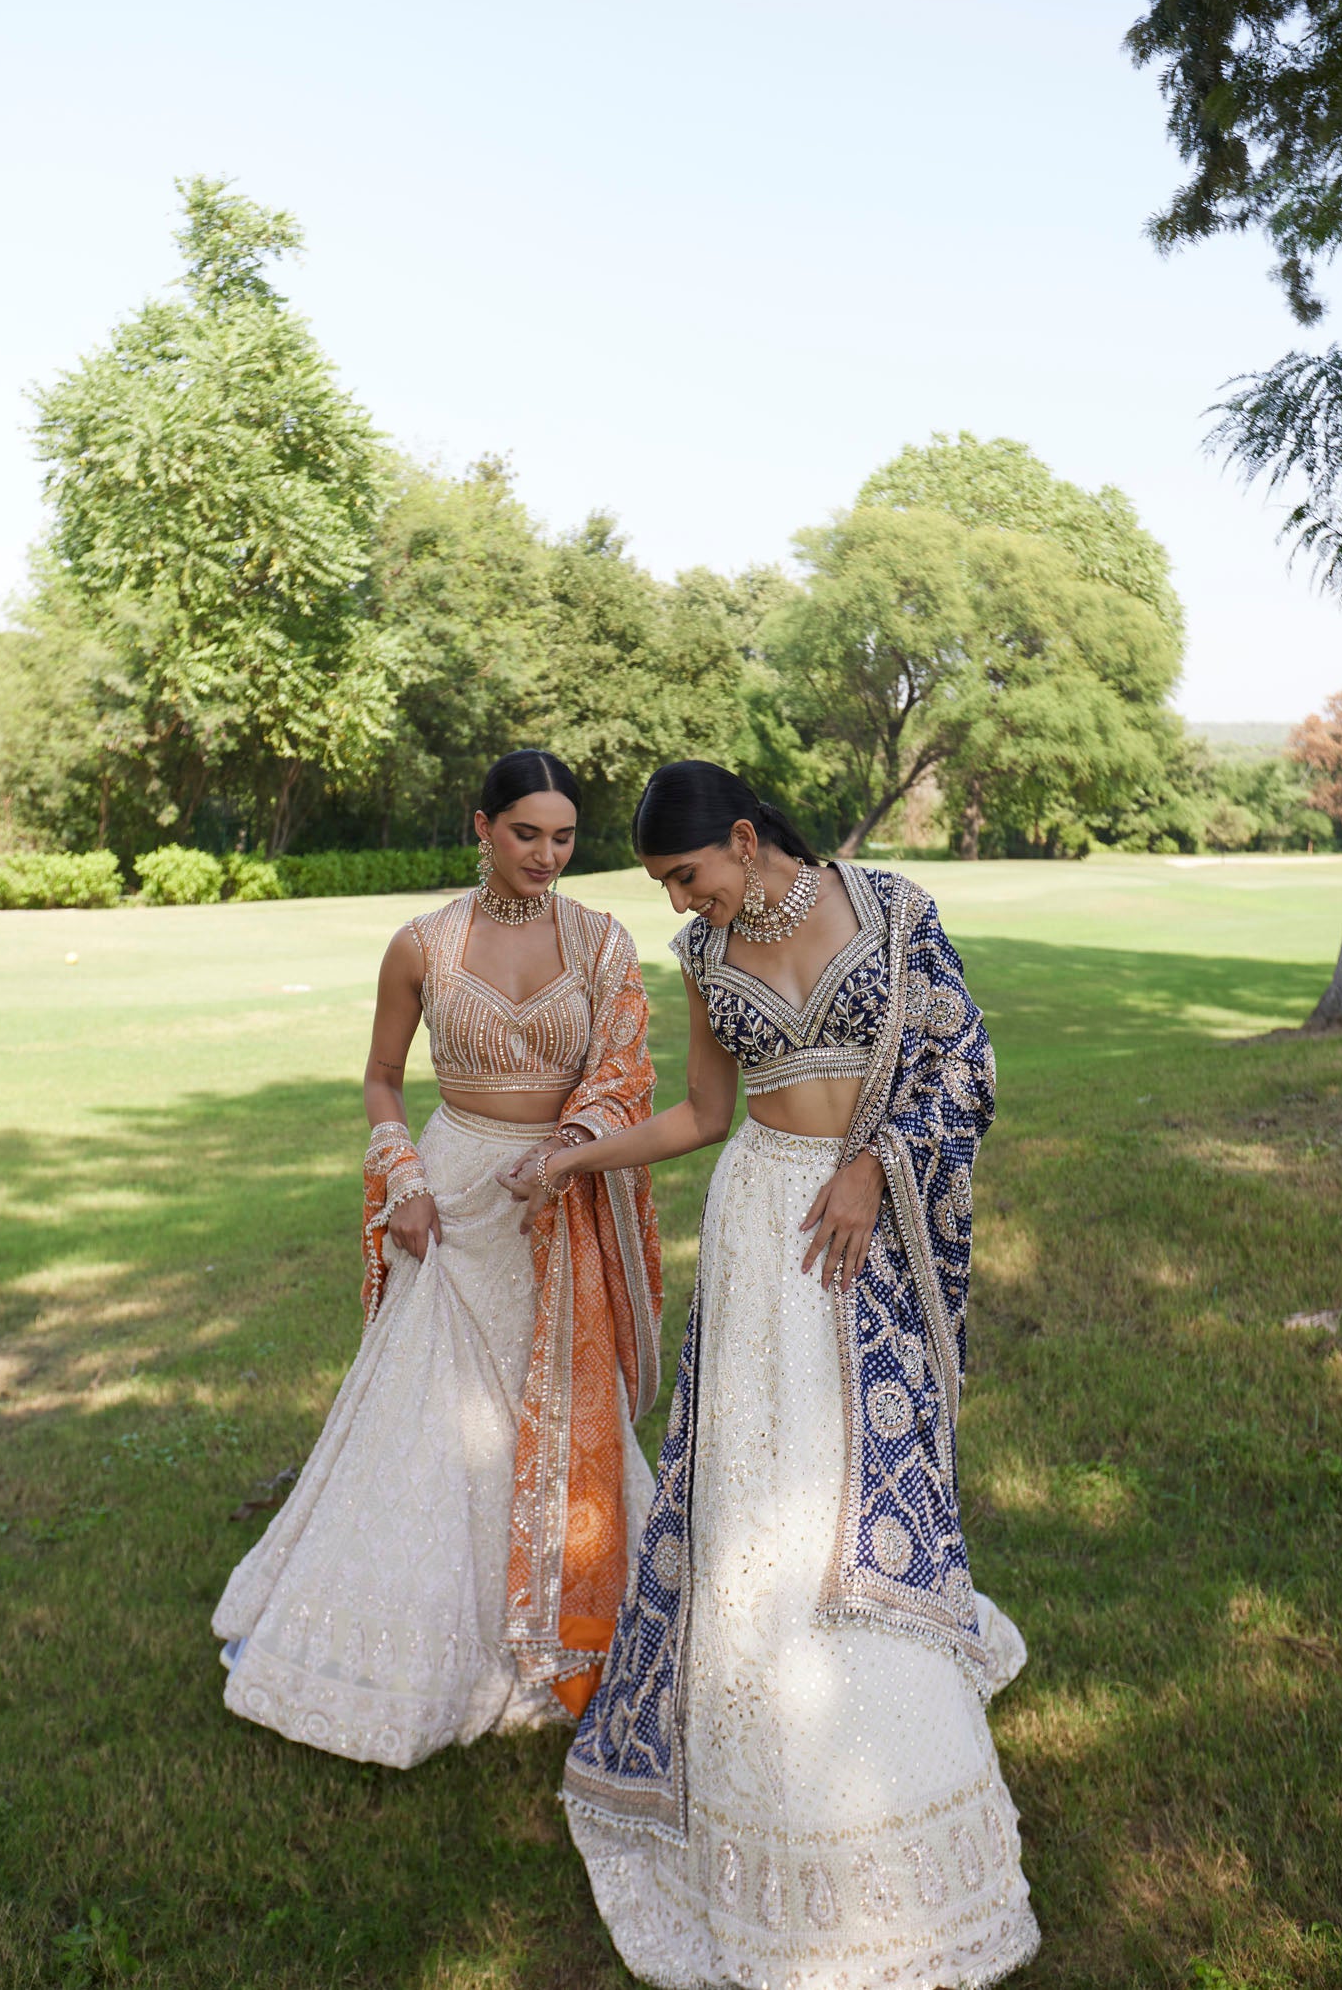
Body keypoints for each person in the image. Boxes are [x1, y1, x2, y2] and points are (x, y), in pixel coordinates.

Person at [503, 761, 1038, 1989]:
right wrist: (577, 1160)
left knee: (857, 1483)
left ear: (744, 840)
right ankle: (761, 1774)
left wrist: (870, 1162)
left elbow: (968, 1067)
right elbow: (700, 1111)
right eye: (662, 887)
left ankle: (899, 1761)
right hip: (760, 1226)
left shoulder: (893, 908)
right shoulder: (701, 958)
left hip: (862, 1220)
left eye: (686, 875)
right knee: (757, 1501)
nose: (681, 905)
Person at [212, 749, 662, 1766]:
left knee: (549, 1397)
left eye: (561, 836)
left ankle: (566, 1612)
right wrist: (402, 1176)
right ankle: (399, 1641)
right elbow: (379, 1077)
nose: (546, 855)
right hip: (451, 1200)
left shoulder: (600, 939)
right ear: (480, 826)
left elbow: (624, 1074)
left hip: (557, 1194)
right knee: (422, 1417)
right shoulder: (421, 943)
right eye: (524, 833)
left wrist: (563, 1150)